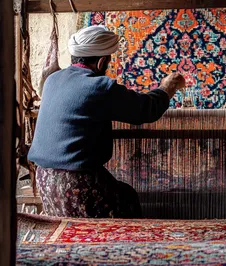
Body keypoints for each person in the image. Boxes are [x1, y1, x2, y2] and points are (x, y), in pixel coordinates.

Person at [28, 25, 185, 218]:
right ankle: (125, 245)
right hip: (77, 183)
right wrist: (166, 87)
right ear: (102, 61)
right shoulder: (100, 86)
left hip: (45, 181)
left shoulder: (52, 80)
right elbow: (145, 110)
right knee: (127, 198)